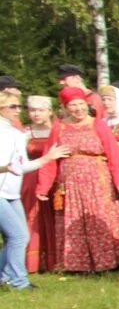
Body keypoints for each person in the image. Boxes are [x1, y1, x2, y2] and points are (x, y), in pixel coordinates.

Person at [34, 87, 119, 272]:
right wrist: (43, 187)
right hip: (69, 182)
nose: (78, 109)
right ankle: (77, 263)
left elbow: (112, 153)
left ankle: (108, 261)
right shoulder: (59, 127)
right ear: (65, 107)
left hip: (97, 179)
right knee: (73, 218)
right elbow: (49, 158)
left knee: (100, 216)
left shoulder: (98, 124)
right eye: (73, 105)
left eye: (81, 104)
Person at [0, 95, 68, 290]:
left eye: (19, 106)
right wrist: (5, 168)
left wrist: (48, 158)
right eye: (12, 106)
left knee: (21, 236)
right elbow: (8, 166)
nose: (18, 110)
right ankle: (19, 282)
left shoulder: (17, 133)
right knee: (18, 236)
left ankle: (4, 277)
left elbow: (21, 166)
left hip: (11, 193)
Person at [22, 96, 59, 272]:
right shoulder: (25, 133)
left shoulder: (58, 129)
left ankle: (56, 259)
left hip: (54, 175)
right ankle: (33, 261)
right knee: (33, 217)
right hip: (31, 176)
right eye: (33, 110)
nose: (36, 114)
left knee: (54, 214)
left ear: (49, 112)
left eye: (41, 110)